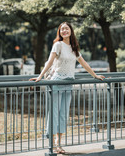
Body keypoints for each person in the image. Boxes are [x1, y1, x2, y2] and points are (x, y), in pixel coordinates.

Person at [29, 22, 105, 154]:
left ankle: (59, 143)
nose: (64, 31)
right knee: (54, 113)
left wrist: (95, 75)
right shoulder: (58, 45)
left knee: (63, 114)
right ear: (59, 32)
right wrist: (40, 76)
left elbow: (84, 63)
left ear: (71, 31)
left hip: (68, 83)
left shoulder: (74, 47)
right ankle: (53, 144)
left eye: (66, 28)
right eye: (62, 29)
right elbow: (50, 61)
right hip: (56, 82)